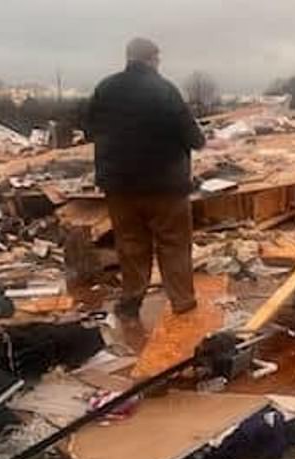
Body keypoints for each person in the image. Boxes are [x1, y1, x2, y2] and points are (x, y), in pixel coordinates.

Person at [86, 38, 205, 319]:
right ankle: (182, 302)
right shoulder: (164, 90)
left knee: (130, 245)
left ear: (129, 58)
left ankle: (131, 302)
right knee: (174, 244)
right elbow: (194, 138)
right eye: (158, 58)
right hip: (166, 188)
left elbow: (89, 129)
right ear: (151, 59)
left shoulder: (105, 88)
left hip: (119, 187)